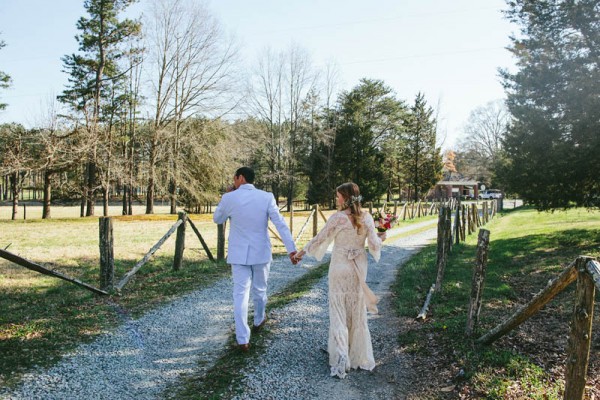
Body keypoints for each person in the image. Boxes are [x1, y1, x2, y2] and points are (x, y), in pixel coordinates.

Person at [293, 182, 386, 378]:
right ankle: (358, 355)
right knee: (356, 310)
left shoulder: (338, 218)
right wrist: (383, 235)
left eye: (338, 196)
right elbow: (374, 245)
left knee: (338, 310)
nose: (337, 200)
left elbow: (320, 238)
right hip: (358, 268)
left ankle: (342, 355)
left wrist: (301, 253)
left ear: (345, 197)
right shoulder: (367, 217)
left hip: (339, 266)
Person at [213, 166, 298, 352]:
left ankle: (242, 338)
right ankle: (259, 320)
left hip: (238, 254)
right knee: (260, 289)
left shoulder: (229, 197)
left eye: (234, 178)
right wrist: (291, 249)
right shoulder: (266, 197)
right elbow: (280, 224)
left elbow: (217, 219)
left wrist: (226, 197)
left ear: (241, 178)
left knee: (240, 294)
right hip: (261, 252)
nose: (233, 182)